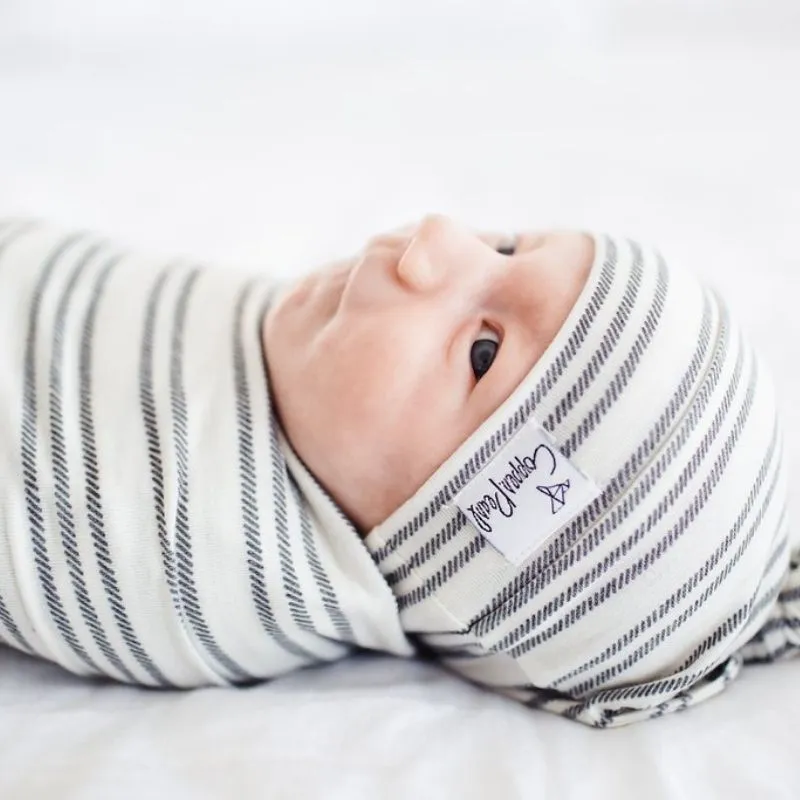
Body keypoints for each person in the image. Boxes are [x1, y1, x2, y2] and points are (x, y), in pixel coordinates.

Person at [0, 214, 795, 728]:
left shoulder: (172, 544)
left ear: (433, 539)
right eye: (507, 246)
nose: (435, 240)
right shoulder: (297, 382)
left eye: (483, 351)